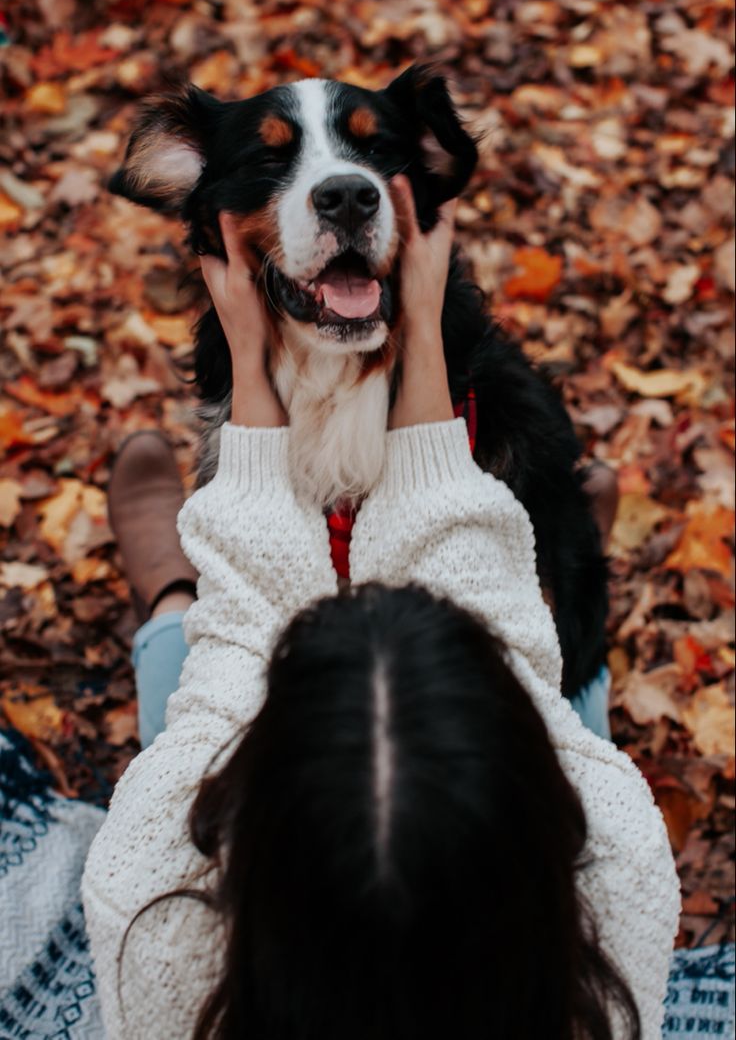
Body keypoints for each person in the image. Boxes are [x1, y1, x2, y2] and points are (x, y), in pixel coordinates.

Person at [81, 179, 679, 1039]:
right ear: (531, 825)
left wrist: (248, 365)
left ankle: (167, 594)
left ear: (244, 807)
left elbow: (244, 636)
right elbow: (504, 643)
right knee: (559, 691)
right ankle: (540, 566)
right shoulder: (618, 864)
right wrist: (424, 339)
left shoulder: (151, 910)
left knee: (198, 651)